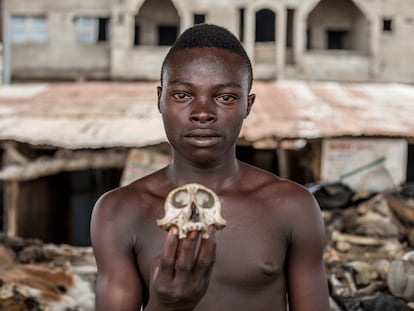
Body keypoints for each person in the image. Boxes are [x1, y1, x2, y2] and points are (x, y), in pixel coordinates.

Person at [90, 23, 330, 311]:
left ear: (248, 105)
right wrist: (167, 305)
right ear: (160, 99)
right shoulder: (119, 211)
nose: (202, 113)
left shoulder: (292, 206)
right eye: (182, 95)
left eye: (225, 97)